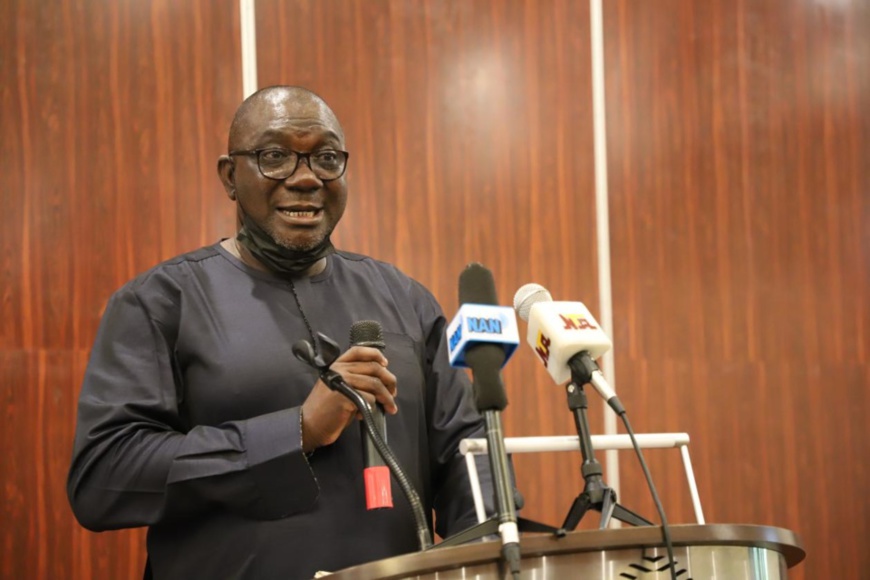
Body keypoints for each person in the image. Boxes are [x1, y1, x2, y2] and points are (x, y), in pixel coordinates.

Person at [67, 85, 493, 580]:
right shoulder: (161, 302)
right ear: (230, 176)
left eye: (327, 158)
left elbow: (466, 452)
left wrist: (488, 549)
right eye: (275, 157)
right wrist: (298, 432)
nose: (306, 179)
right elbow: (104, 479)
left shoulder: (405, 300)